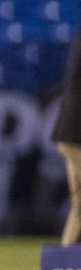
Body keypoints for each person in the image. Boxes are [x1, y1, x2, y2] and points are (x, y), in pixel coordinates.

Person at [54, 30, 81, 246]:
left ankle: (64, 264)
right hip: (75, 133)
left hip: (70, 133)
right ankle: (64, 265)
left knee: (79, 205)